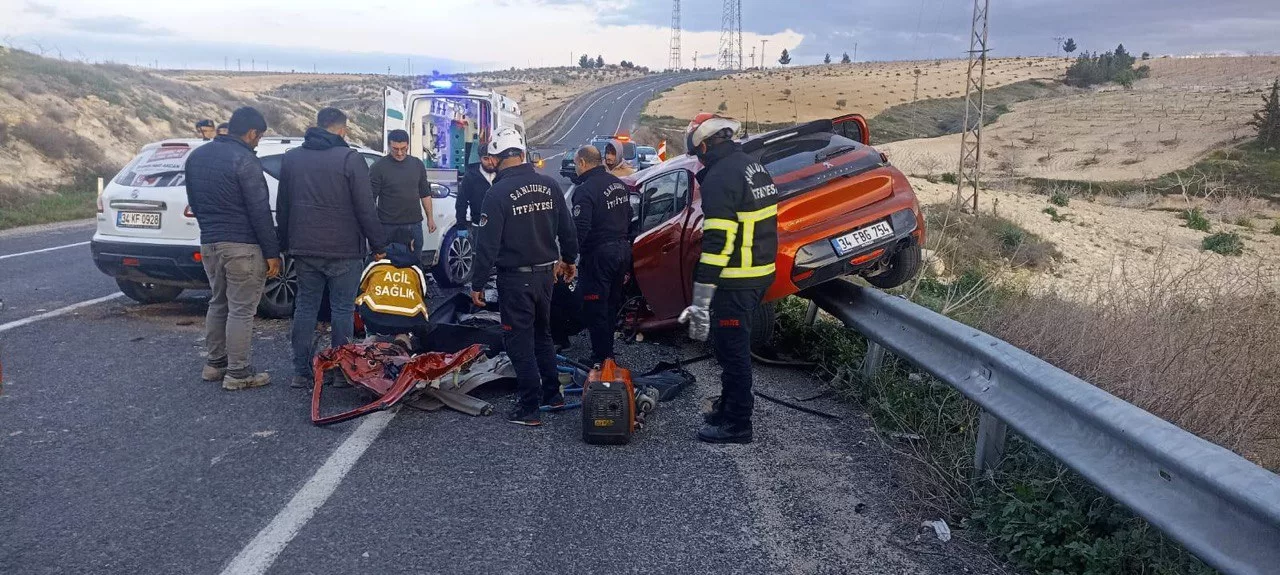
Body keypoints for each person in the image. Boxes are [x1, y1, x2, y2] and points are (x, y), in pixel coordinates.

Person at [677, 113, 778, 444]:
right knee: (728, 347)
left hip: (737, 278)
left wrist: (700, 301)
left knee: (733, 352)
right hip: (759, 272)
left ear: (704, 145)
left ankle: (738, 423)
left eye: (697, 152)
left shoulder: (720, 178)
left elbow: (717, 244)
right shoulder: (751, 165)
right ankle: (728, 406)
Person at [470, 127, 579, 427]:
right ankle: (552, 393)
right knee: (542, 335)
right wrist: (569, 260)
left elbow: (487, 246)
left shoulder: (497, 193)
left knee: (518, 341)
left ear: (498, 157)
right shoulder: (550, 185)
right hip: (547, 276)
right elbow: (567, 230)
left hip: (516, 279)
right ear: (521, 153)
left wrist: (476, 284)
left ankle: (529, 406)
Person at [277, 107, 389, 389]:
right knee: (341, 310)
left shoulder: (292, 159)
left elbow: (284, 206)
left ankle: (300, 372)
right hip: (344, 249)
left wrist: (283, 246)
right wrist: (378, 246)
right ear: (342, 129)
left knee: (305, 307)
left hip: (304, 248)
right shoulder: (350, 159)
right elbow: (366, 208)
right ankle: (341, 371)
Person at [184, 106, 281, 390]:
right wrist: (272, 253)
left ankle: (215, 364)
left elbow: (195, 201)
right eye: (259, 137)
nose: (258, 142)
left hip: (210, 242)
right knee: (241, 309)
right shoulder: (245, 161)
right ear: (251, 133)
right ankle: (239, 373)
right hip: (242, 246)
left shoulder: (197, 157)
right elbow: (259, 211)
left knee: (217, 302)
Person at [568, 144, 632, 364]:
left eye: (576, 164)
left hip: (599, 256)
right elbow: (630, 217)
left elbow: (580, 229)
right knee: (611, 305)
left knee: (595, 307)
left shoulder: (585, 190)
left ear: (583, 163)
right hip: (622, 252)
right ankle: (609, 354)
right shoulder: (618, 184)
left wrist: (568, 259)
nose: (576, 169)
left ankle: (600, 358)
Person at [355, 227, 430, 347]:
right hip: (407, 320)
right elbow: (423, 292)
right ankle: (403, 337)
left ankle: (371, 337)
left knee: (363, 298)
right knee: (416, 304)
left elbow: (361, 286)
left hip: (374, 318)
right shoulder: (415, 265)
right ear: (411, 244)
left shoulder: (375, 261)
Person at [371, 129, 435, 256]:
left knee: (413, 265)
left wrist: (430, 218)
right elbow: (370, 199)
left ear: (408, 146)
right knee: (386, 267)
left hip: (413, 225)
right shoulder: (378, 167)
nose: (400, 153)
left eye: (403, 148)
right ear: (389, 146)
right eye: (395, 149)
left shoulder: (417, 164)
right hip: (387, 226)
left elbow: (425, 194)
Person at [456, 146, 497, 238]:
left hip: (500, 227)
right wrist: (461, 225)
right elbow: (461, 201)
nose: (490, 162)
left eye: (492, 158)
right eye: (486, 159)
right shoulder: (470, 176)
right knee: (478, 252)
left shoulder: (502, 175)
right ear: (480, 158)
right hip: (479, 226)